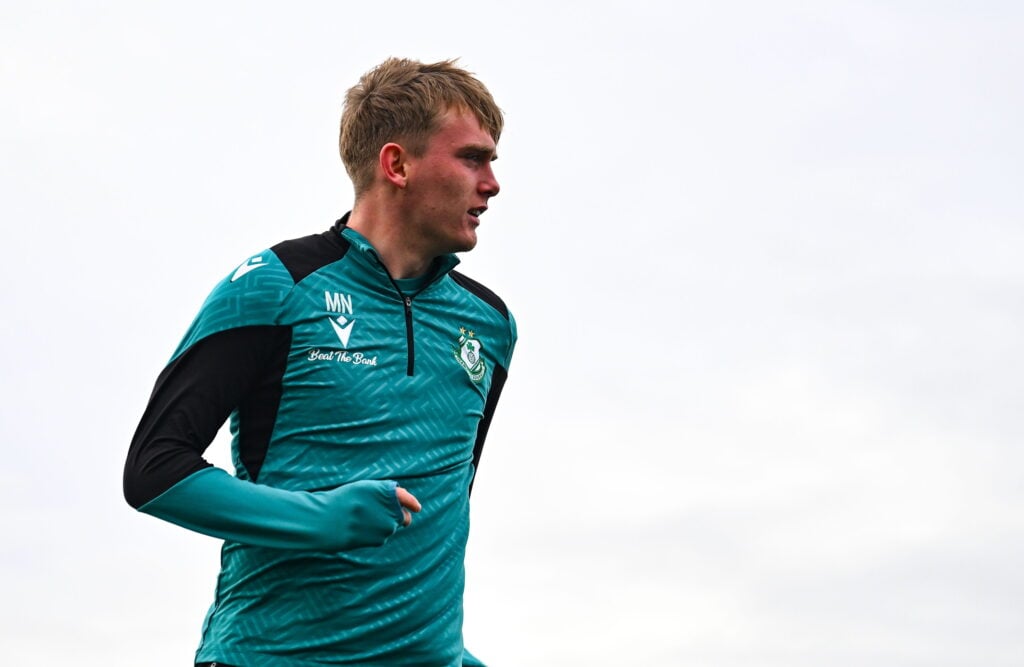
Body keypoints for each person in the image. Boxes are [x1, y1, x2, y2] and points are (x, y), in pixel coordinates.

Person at [123, 57, 516, 667]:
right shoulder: (275, 286)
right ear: (397, 165)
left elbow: (444, 507)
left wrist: (442, 648)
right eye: (472, 158)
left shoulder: (489, 324)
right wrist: (320, 518)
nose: (492, 183)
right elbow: (154, 471)